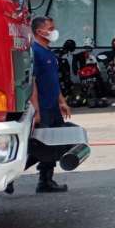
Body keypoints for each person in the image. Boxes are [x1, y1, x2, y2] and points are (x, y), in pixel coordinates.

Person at [30, 16, 72, 193]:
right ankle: (10, 176)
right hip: (43, 107)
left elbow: (53, 81)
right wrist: (36, 111)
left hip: (53, 106)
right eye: (51, 28)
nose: (54, 31)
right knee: (43, 145)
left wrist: (62, 101)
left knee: (54, 143)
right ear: (39, 31)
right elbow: (32, 83)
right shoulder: (34, 52)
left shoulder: (48, 51)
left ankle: (46, 180)